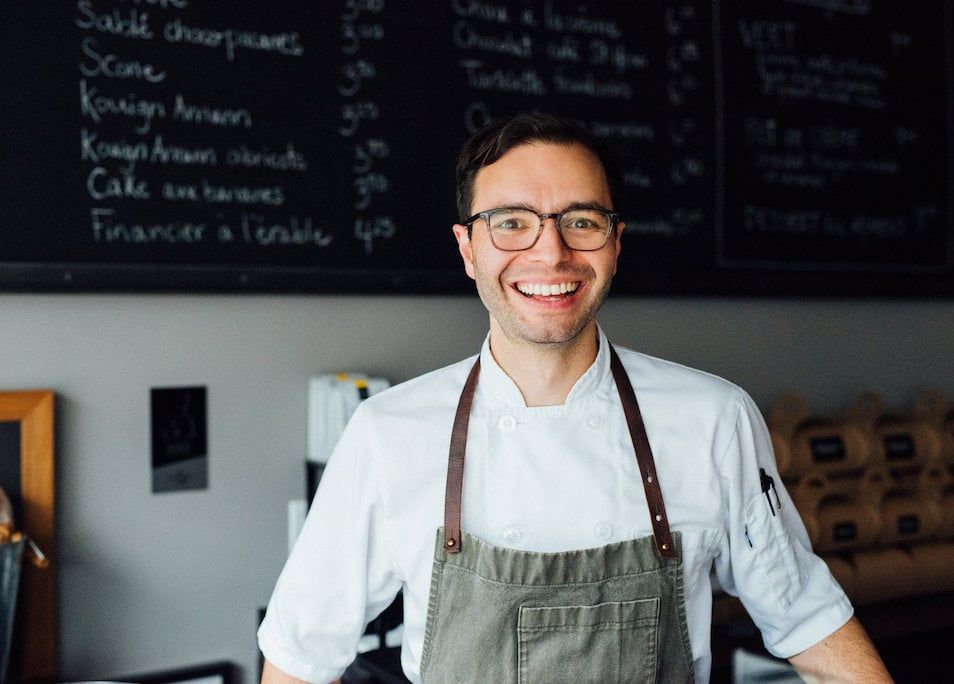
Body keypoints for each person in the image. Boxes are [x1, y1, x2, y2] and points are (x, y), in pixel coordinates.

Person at [258, 113, 892, 683]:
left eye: (581, 222)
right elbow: (298, 660)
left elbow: (809, 625)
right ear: (467, 249)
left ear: (615, 243)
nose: (550, 252)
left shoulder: (713, 420)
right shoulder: (387, 433)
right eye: (511, 224)